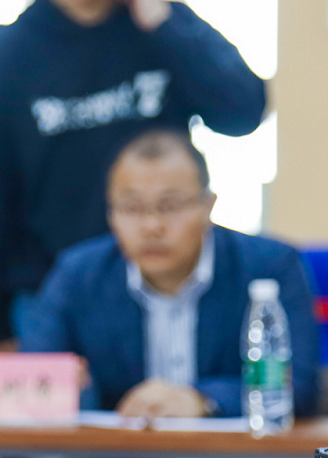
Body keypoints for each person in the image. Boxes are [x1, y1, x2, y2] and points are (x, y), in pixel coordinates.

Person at [0, 0, 268, 351]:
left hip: (163, 284)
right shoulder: (10, 55)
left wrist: (164, 25)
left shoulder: (161, 27)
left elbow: (243, 113)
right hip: (50, 295)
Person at [20, 129, 318, 419]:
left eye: (170, 206)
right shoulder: (78, 275)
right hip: (122, 452)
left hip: (235, 453)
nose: (151, 226)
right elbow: (34, 374)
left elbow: (298, 384)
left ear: (208, 205)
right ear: (111, 212)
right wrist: (70, 388)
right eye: (132, 208)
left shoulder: (269, 266)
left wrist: (203, 400)